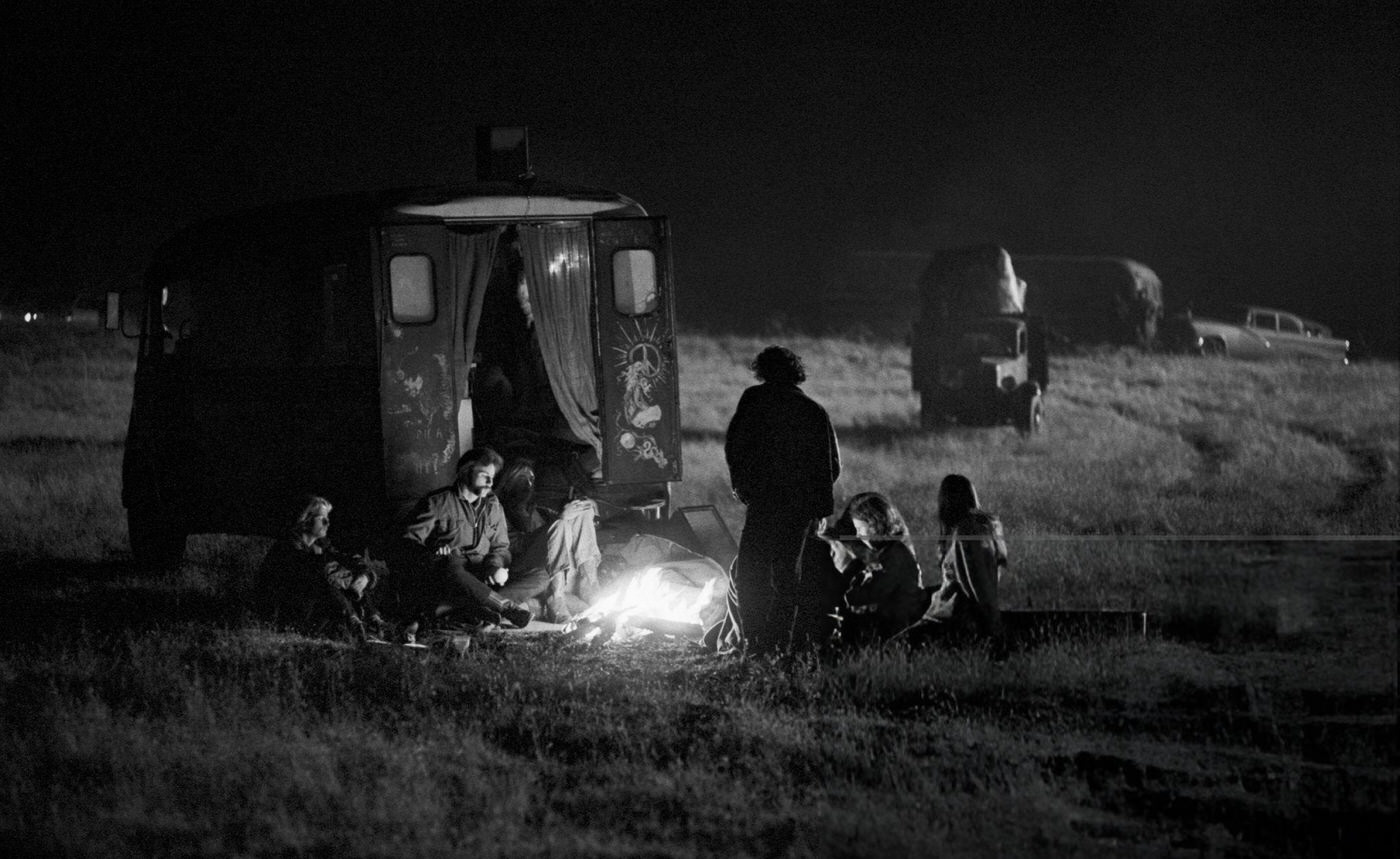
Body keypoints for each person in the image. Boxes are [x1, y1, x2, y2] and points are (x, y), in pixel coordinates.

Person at [724, 345, 842, 656]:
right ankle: (780, 643)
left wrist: (742, 486)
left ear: (762, 370)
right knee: (787, 574)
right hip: (800, 507)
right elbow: (831, 464)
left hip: (764, 502)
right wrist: (818, 509)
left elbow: (735, 447)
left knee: (751, 570)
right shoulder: (815, 411)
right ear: (795, 372)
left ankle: (753, 640)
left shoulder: (754, 400)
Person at [394, 447, 540, 635]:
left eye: (492, 477)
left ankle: (469, 608)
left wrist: (495, 566)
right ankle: (503, 607)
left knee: (540, 574)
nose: (490, 482)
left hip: (484, 572)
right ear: (465, 472)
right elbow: (408, 542)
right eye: (483, 475)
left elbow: (501, 547)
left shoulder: (493, 505)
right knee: (450, 565)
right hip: (453, 574)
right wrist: (432, 552)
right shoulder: (437, 503)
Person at [252, 494, 387, 642]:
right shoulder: (286, 548)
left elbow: (351, 561)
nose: (328, 522)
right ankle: (353, 623)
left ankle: (373, 621)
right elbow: (312, 573)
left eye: (328, 518)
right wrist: (344, 576)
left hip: (312, 610)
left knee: (349, 576)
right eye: (322, 518)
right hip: (287, 615)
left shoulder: (322, 546)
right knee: (326, 577)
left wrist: (364, 576)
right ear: (306, 519)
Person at [903, 474, 1007, 647]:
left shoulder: (966, 534)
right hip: (960, 615)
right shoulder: (985, 530)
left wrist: (993, 625)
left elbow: (976, 581)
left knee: (894, 647)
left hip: (954, 617)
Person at [495, 456, 602, 622]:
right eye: (522, 478)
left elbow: (564, 528)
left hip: (554, 569)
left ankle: (590, 583)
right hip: (525, 569)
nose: (528, 484)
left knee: (582, 514)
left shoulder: (537, 510)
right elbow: (513, 547)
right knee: (559, 524)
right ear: (508, 482)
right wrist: (560, 518)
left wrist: (584, 507)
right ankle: (556, 598)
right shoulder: (500, 510)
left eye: (531, 479)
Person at [821, 492, 926, 646]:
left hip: (899, 624)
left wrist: (845, 593)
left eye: (860, 529)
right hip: (894, 617)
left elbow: (877, 591)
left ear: (875, 526)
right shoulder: (890, 552)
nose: (858, 535)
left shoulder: (896, 556)